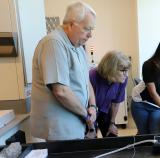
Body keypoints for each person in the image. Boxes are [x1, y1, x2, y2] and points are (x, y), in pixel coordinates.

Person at [30, 1, 97, 141]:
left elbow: (87, 81)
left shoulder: (78, 47)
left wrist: (93, 106)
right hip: (60, 130)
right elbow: (61, 91)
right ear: (71, 24)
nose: (90, 35)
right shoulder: (53, 43)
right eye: (87, 29)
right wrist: (86, 115)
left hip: (77, 125)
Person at [89, 50, 131, 137]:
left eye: (127, 71)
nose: (126, 75)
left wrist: (112, 123)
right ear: (110, 69)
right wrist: (91, 128)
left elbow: (115, 103)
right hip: (89, 112)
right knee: (91, 140)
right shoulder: (92, 76)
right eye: (123, 71)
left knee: (112, 136)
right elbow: (84, 104)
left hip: (105, 110)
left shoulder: (122, 80)